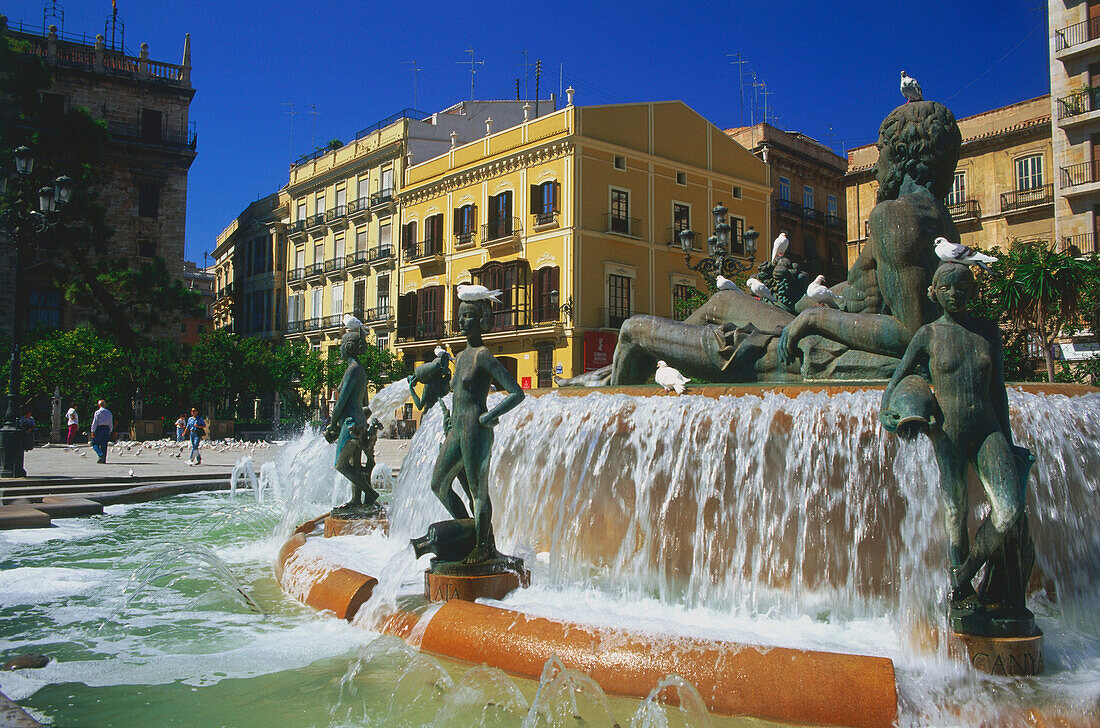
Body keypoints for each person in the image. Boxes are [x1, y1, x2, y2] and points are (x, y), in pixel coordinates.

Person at [881, 262, 1035, 634]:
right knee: (956, 514)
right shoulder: (928, 334)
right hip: (948, 433)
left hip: (988, 431)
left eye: (963, 286)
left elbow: (998, 392)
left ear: (973, 291)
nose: (956, 293)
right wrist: (890, 414)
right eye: (948, 287)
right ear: (935, 292)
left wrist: (1010, 442)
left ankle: (963, 577)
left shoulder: (986, 332)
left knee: (1009, 509)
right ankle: (963, 593)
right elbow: (897, 379)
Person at [428, 297, 525, 564]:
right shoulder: (459, 357)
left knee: (478, 492)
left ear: (481, 321)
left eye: (468, 316)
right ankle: (468, 531)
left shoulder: (483, 356)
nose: (461, 321)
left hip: (475, 429)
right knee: (438, 484)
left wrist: (490, 416)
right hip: (456, 429)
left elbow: (517, 393)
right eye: (460, 315)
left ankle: (483, 547)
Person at [323, 329, 381, 510]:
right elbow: (365, 403)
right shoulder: (360, 370)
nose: (340, 349)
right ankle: (356, 500)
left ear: (348, 347)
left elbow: (341, 401)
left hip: (350, 423)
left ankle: (369, 493)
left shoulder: (352, 370)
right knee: (354, 463)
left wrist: (332, 423)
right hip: (359, 421)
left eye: (341, 345)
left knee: (340, 465)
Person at [90, 400, 113, 464]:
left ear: (99, 405)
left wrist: (93, 430)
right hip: (107, 428)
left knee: (94, 443)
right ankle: (103, 459)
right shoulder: (108, 412)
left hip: (100, 428)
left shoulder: (98, 412)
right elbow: (111, 423)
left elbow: (95, 422)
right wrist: (110, 430)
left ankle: (100, 455)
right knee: (104, 444)